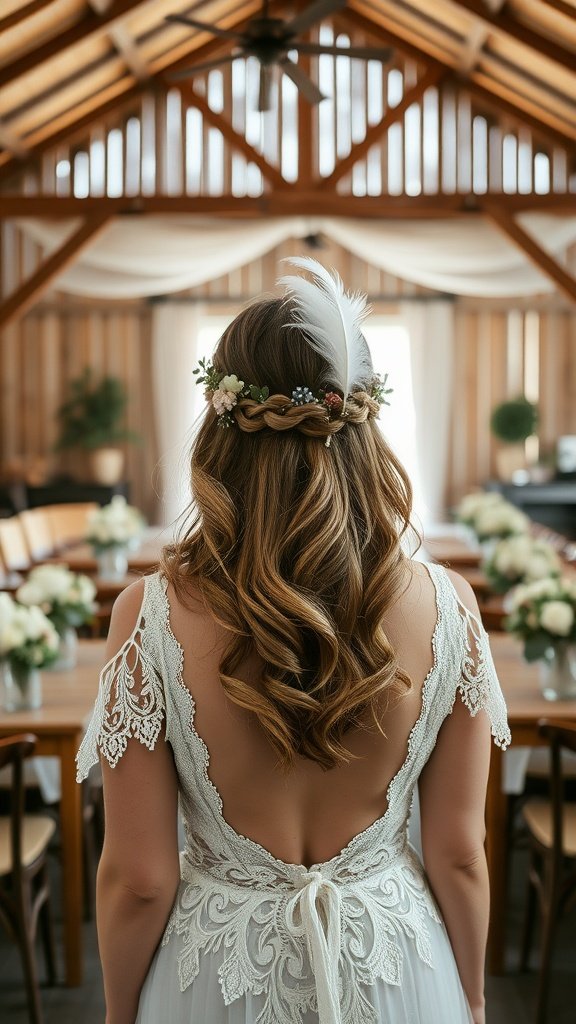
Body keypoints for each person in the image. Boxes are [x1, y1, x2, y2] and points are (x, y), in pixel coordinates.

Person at [77, 258, 511, 1024]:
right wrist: (471, 996)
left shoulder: (149, 614)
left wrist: (117, 1013)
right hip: (396, 963)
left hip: (219, 975)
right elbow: (459, 852)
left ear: (218, 424)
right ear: (366, 425)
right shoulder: (449, 608)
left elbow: (140, 878)